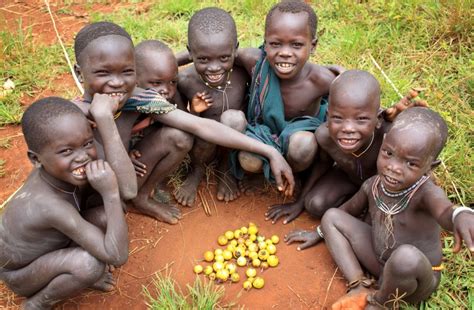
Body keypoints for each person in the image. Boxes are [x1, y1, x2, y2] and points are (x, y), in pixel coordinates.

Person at [73, 21, 294, 224]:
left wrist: (269, 151)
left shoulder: (139, 98)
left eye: (127, 71)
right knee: (101, 218)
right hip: (95, 192)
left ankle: (143, 197)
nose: (117, 83)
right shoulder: (71, 116)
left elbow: (201, 126)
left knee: (179, 135)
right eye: (103, 73)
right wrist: (103, 119)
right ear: (79, 73)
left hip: (130, 178)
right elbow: (125, 189)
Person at [298, 107, 474, 309]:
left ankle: (380, 303)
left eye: (411, 164)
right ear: (383, 143)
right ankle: (359, 285)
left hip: (412, 280)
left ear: (430, 167)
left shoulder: (426, 193)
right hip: (379, 261)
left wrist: (460, 215)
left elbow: (444, 211)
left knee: (405, 257)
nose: (394, 167)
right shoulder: (372, 185)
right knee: (330, 216)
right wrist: (320, 232)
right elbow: (345, 212)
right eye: (389, 153)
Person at [0, 97, 128, 309]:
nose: (82, 157)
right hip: (21, 273)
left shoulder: (56, 172)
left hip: (52, 246)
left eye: (87, 144)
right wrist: (111, 193)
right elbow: (117, 255)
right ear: (35, 159)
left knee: (108, 215)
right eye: (67, 151)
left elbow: (126, 190)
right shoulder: (48, 205)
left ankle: (68, 265)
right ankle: (37, 304)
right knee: (89, 265)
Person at [228, 1, 341, 182]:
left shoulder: (321, 80)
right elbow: (217, 53)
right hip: (260, 132)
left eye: (296, 45)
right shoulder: (256, 62)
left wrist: (346, 78)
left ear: (313, 46)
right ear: (265, 43)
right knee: (248, 160)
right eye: (275, 44)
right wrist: (173, 62)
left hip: (298, 140)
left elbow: (357, 104)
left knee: (302, 146)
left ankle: (293, 176)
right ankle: (255, 175)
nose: (285, 53)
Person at [267, 70, 386, 227]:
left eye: (361, 119)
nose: (348, 128)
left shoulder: (388, 139)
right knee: (314, 205)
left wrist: (325, 229)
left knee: (377, 222)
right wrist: (299, 202)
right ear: (328, 116)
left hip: (384, 191)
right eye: (338, 118)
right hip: (349, 178)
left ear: (378, 119)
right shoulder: (325, 136)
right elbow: (323, 164)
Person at [175, 7, 251, 207]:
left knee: (234, 118)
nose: (214, 67)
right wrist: (194, 110)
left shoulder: (244, 71)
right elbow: (180, 119)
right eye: (203, 59)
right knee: (207, 127)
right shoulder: (184, 80)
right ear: (190, 52)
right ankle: (198, 170)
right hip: (202, 141)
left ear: (235, 49)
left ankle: (226, 167)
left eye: (224, 58)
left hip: (236, 136)